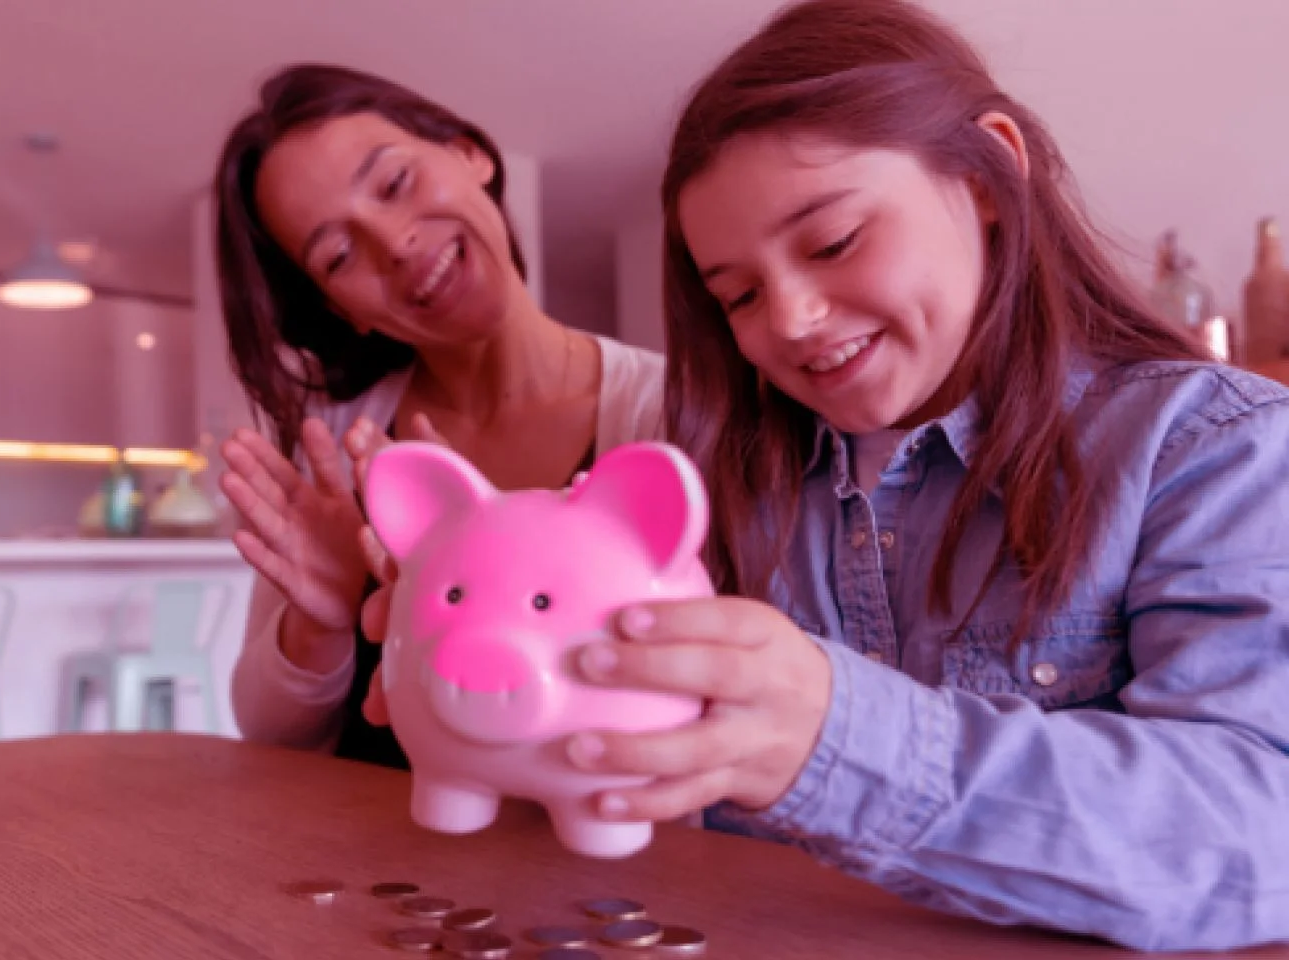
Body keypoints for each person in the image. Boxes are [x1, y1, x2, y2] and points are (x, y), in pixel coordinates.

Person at [350, 0, 1289, 950]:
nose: (789, 321)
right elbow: (622, 775)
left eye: (834, 241)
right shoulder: (734, 484)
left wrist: (834, 740)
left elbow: (1261, 839)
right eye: (740, 296)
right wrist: (481, 692)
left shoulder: (1217, 450)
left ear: (991, 174)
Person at [209, 63, 667, 769]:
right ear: (342, 310)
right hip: (371, 864)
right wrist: (322, 623)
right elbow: (270, 739)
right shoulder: (338, 451)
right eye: (337, 255)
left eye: (395, 184)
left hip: (600, 858)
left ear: (467, 153)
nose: (393, 243)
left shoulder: (662, 418)